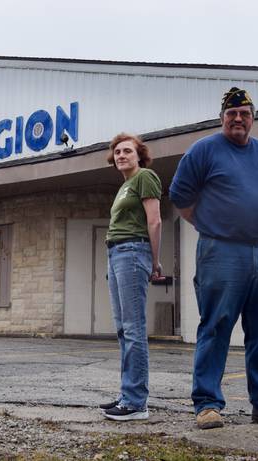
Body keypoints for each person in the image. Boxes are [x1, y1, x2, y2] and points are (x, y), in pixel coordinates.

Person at [169, 87, 258, 429]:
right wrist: (211, 225)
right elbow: (180, 196)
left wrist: (252, 223)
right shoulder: (203, 151)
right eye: (232, 114)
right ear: (222, 118)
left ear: (253, 118)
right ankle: (207, 404)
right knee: (215, 326)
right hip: (221, 251)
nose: (238, 119)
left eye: (244, 113)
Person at [100, 132, 163, 421]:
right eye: (117, 152)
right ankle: (128, 395)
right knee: (123, 329)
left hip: (133, 252)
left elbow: (155, 220)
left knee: (133, 328)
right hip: (116, 254)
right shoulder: (125, 187)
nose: (121, 155)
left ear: (139, 155)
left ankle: (137, 403)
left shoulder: (144, 177)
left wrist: (155, 260)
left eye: (127, 150)